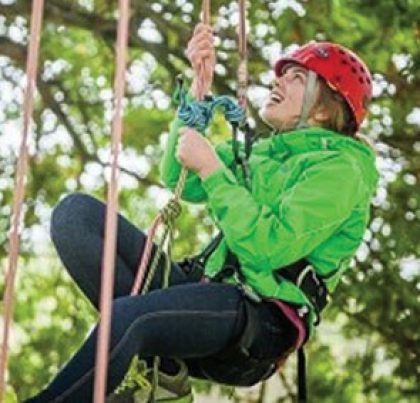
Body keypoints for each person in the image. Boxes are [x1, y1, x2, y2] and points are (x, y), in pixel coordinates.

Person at [26, 23, 378, 402]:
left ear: (324, 109)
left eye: (295, 78)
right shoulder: (263, 152)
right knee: (76, 215)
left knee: (131, 317)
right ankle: (165, 373)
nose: (276, 82)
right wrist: (198, 90)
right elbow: (179, 177)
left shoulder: (341, 170)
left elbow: (268, 246)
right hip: (208, 291)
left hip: (257, 319)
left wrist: (212, 168)